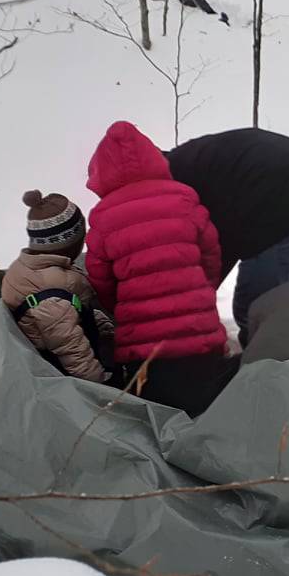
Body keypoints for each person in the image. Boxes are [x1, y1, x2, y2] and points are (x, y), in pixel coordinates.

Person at [84, 121, 231, 416]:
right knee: (213, 417)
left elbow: (101, 280)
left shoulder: (103, 216)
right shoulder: (183, 198)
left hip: (146, 355)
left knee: (157, 424)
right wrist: (199, 293)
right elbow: (211, 255)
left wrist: (125, 309)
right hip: (202, 340)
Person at [164, 127, 289, 338]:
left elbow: (216, 245)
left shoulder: (177, 185)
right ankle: (273, 351)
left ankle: (268, 363)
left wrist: (197, 300)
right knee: (263, 298)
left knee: (256, 305)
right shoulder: (186, 161)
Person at [1, 190, 110, 383]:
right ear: (69, 242)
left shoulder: (35, 266)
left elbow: (76, 310)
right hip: (60, 375)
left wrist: (105, 327)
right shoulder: (50, 292)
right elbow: (74, 354)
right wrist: (106, 389)